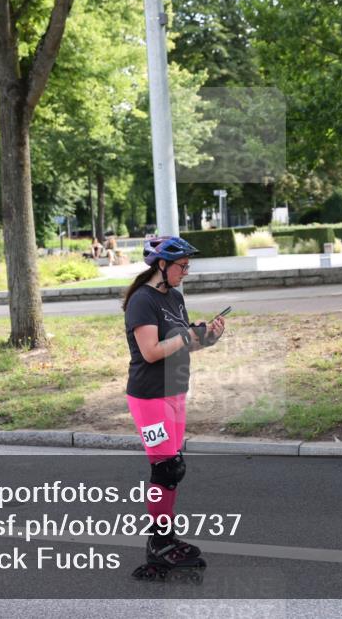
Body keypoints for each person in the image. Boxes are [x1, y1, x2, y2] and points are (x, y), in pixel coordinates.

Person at [122, 236, 226, 575]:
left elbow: (182, 344)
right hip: (149, 397)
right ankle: (159, 543)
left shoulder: (175, 297)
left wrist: (207, 337)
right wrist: (186, 335)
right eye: (182, 266)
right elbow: (151, 352)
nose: (186, 271)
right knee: (165, 470)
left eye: (187, 266)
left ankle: (164, 538)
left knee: (173, 468)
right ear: (162, 265)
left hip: (175, 391)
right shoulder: (142, 301)